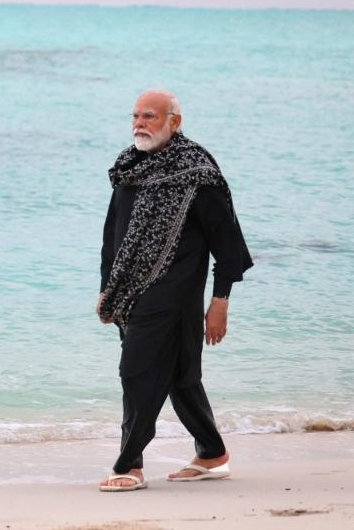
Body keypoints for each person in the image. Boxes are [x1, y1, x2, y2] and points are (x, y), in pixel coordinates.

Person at [96, 89, 253, 492]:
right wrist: (105, 287)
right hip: (131, 292)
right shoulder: (129, 167)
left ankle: (129, 464)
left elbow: (228, 243)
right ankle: (212, 455)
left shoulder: (197, 172)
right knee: (182, 376)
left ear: (174, 122)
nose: (139, 124)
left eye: (149, 116)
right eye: (135, 116)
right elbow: (113, 235)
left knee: (135, 371)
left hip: (176, 293)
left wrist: (220, 302)